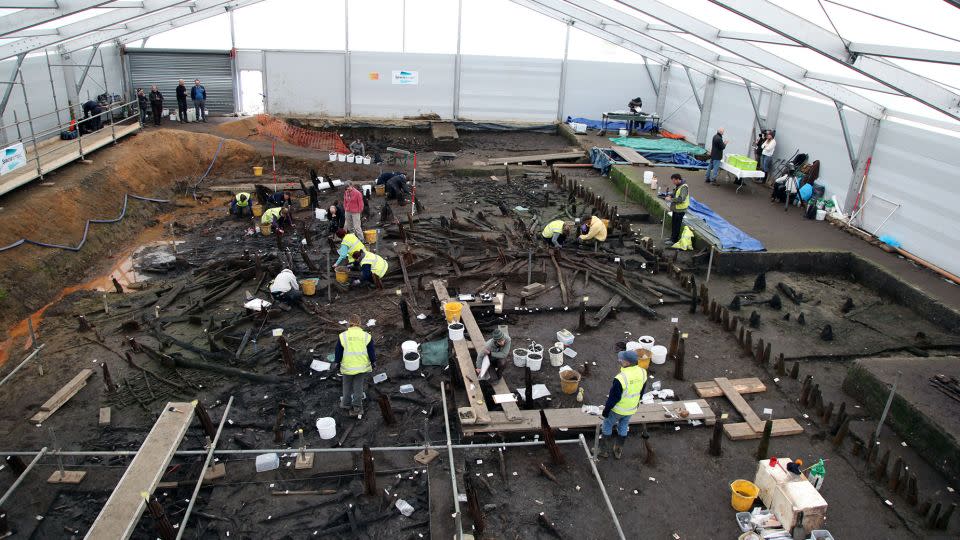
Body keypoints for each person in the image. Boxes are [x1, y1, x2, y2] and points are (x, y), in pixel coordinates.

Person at [599, 349, 648, 459]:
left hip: (618, 410)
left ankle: (603, 450)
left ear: (627, 363)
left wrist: (606, 411)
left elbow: (613, 398)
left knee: (607, 425)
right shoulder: (643, 372)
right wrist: (636, 403)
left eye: (622, 359)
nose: (619, 360)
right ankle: (618, 450)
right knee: (623, 426)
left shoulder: (621, 378)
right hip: (631, 408)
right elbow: (642, 391)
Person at [335, 314, 377, 416]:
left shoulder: (343, 336)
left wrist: (337, 363)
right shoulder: (366, 336)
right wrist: (373, 361)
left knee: (346, 385)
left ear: (349, 323)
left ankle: (346, 404)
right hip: (361, 366)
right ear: (360, 323)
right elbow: (371, 351)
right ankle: (357, 407)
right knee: (358, 386)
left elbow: (338, 352)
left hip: (347, 366)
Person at [665, 174, 689, 246]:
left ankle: (674, 240)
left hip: (680, 210)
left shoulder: (684, 187)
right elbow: (675, 193)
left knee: (677, 225)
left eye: (674, 181)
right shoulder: (678, 185)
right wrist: (671, 195)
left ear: (678, 179)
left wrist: (671, 199)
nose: (673, 183)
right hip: (676, 209)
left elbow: (681, 199)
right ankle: (672, 238)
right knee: (674, 224)